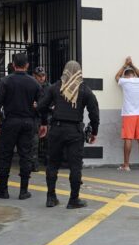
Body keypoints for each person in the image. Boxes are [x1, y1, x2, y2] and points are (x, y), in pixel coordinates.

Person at [38, 61, 99, 209]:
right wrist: (94, 132)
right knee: (75, 166)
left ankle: (51, 198)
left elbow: (41, 106)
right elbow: (94, 112)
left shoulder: (55, 87)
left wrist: (46, 120)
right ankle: (73, 200)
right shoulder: (84, 89)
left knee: (52, 164)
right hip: (75, 132)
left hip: (56, 130)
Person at [0, 52, 42, 200]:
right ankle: (23, 191)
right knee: (26, 156)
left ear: (13, 65)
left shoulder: (5, 82)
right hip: (28, 122)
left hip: (10, 122)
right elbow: (42, 104)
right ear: (27, 65)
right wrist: (42, 123)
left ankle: (3, 190)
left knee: (5, 155)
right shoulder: (34, 83)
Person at [115, 57, 139, 171]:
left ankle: (126, 165)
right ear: (134, 74)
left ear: (125, 76)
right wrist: (132, 65)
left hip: (128, 114)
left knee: (128, 138)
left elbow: (116, 77)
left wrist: (125, 65)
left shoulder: (124, 81)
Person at [32, 66, 51, 170]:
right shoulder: (31, 86)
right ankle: (34, 164)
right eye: (39, 76)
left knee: (48, 141)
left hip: (47, 116)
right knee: (34, 141)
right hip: (34, 116)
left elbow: (53, 102)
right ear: (34, 76)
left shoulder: (49, 87)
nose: (41, 78)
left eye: (43, 75)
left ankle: (48, 162)